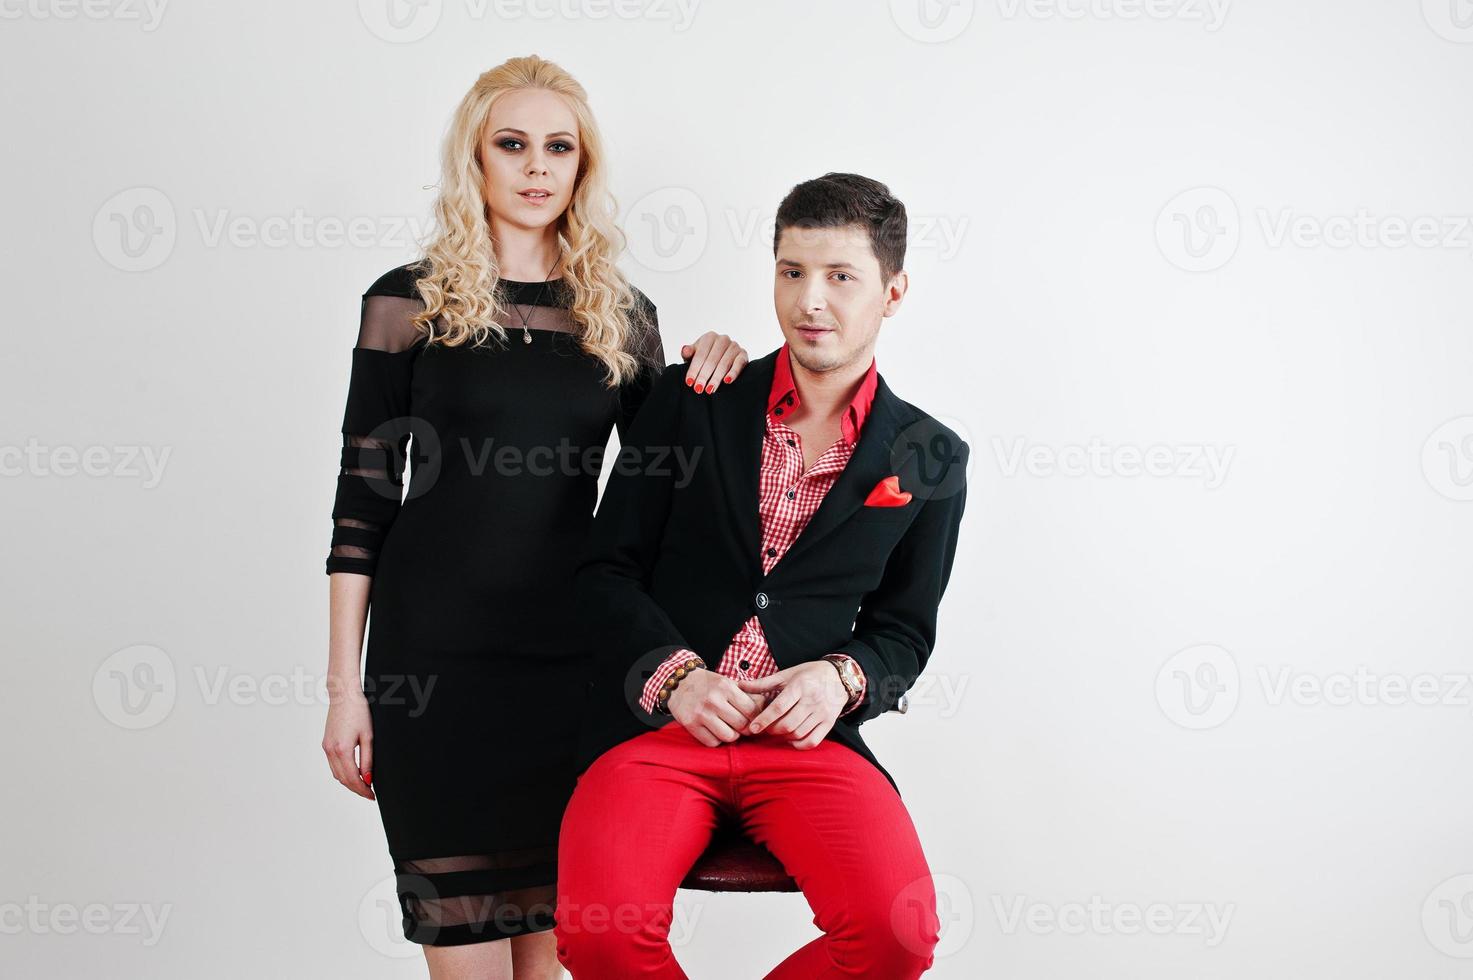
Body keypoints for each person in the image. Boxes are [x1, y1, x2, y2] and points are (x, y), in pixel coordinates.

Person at [320, 55, 749, 980]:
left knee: (563, 956)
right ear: (473, 159)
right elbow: (361, 504)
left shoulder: (619, 317)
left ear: (582, 167)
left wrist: (719, 372)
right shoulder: (405, 303)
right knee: (462, 958)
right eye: (511, 144)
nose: (536, 166)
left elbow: (671, 495)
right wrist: (344, 689)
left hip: (571, 668)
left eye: (559, 147)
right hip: (430, 667)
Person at [555, 172, 971, 978]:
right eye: (791, 272)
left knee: (897, 935)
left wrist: (840, 678)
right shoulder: (694, 400)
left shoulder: (931, 457)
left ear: (892, 293)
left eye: (840, 277)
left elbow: (902, 634)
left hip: (811, 742)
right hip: (659, 731)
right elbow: (603, 571)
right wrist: (674, 678)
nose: (810, 300)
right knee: (601, 936)